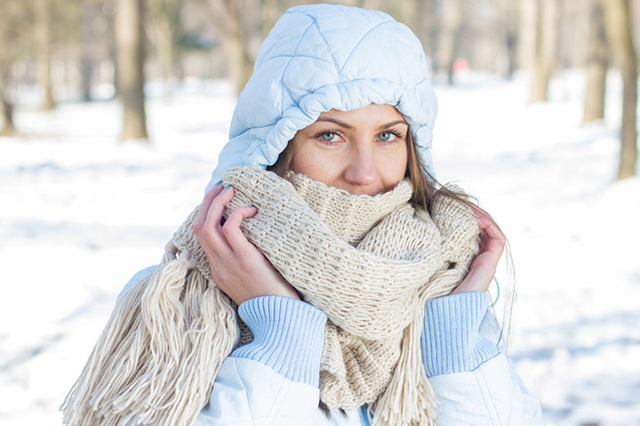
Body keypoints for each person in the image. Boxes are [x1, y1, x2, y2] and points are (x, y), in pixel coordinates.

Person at [61, 4, 545, 426]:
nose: (364, 171)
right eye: (330, 135)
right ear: (277, 145)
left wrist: (454, 334)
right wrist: (279, 333)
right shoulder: (182, 299)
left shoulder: (436, 279)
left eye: (388, 135)